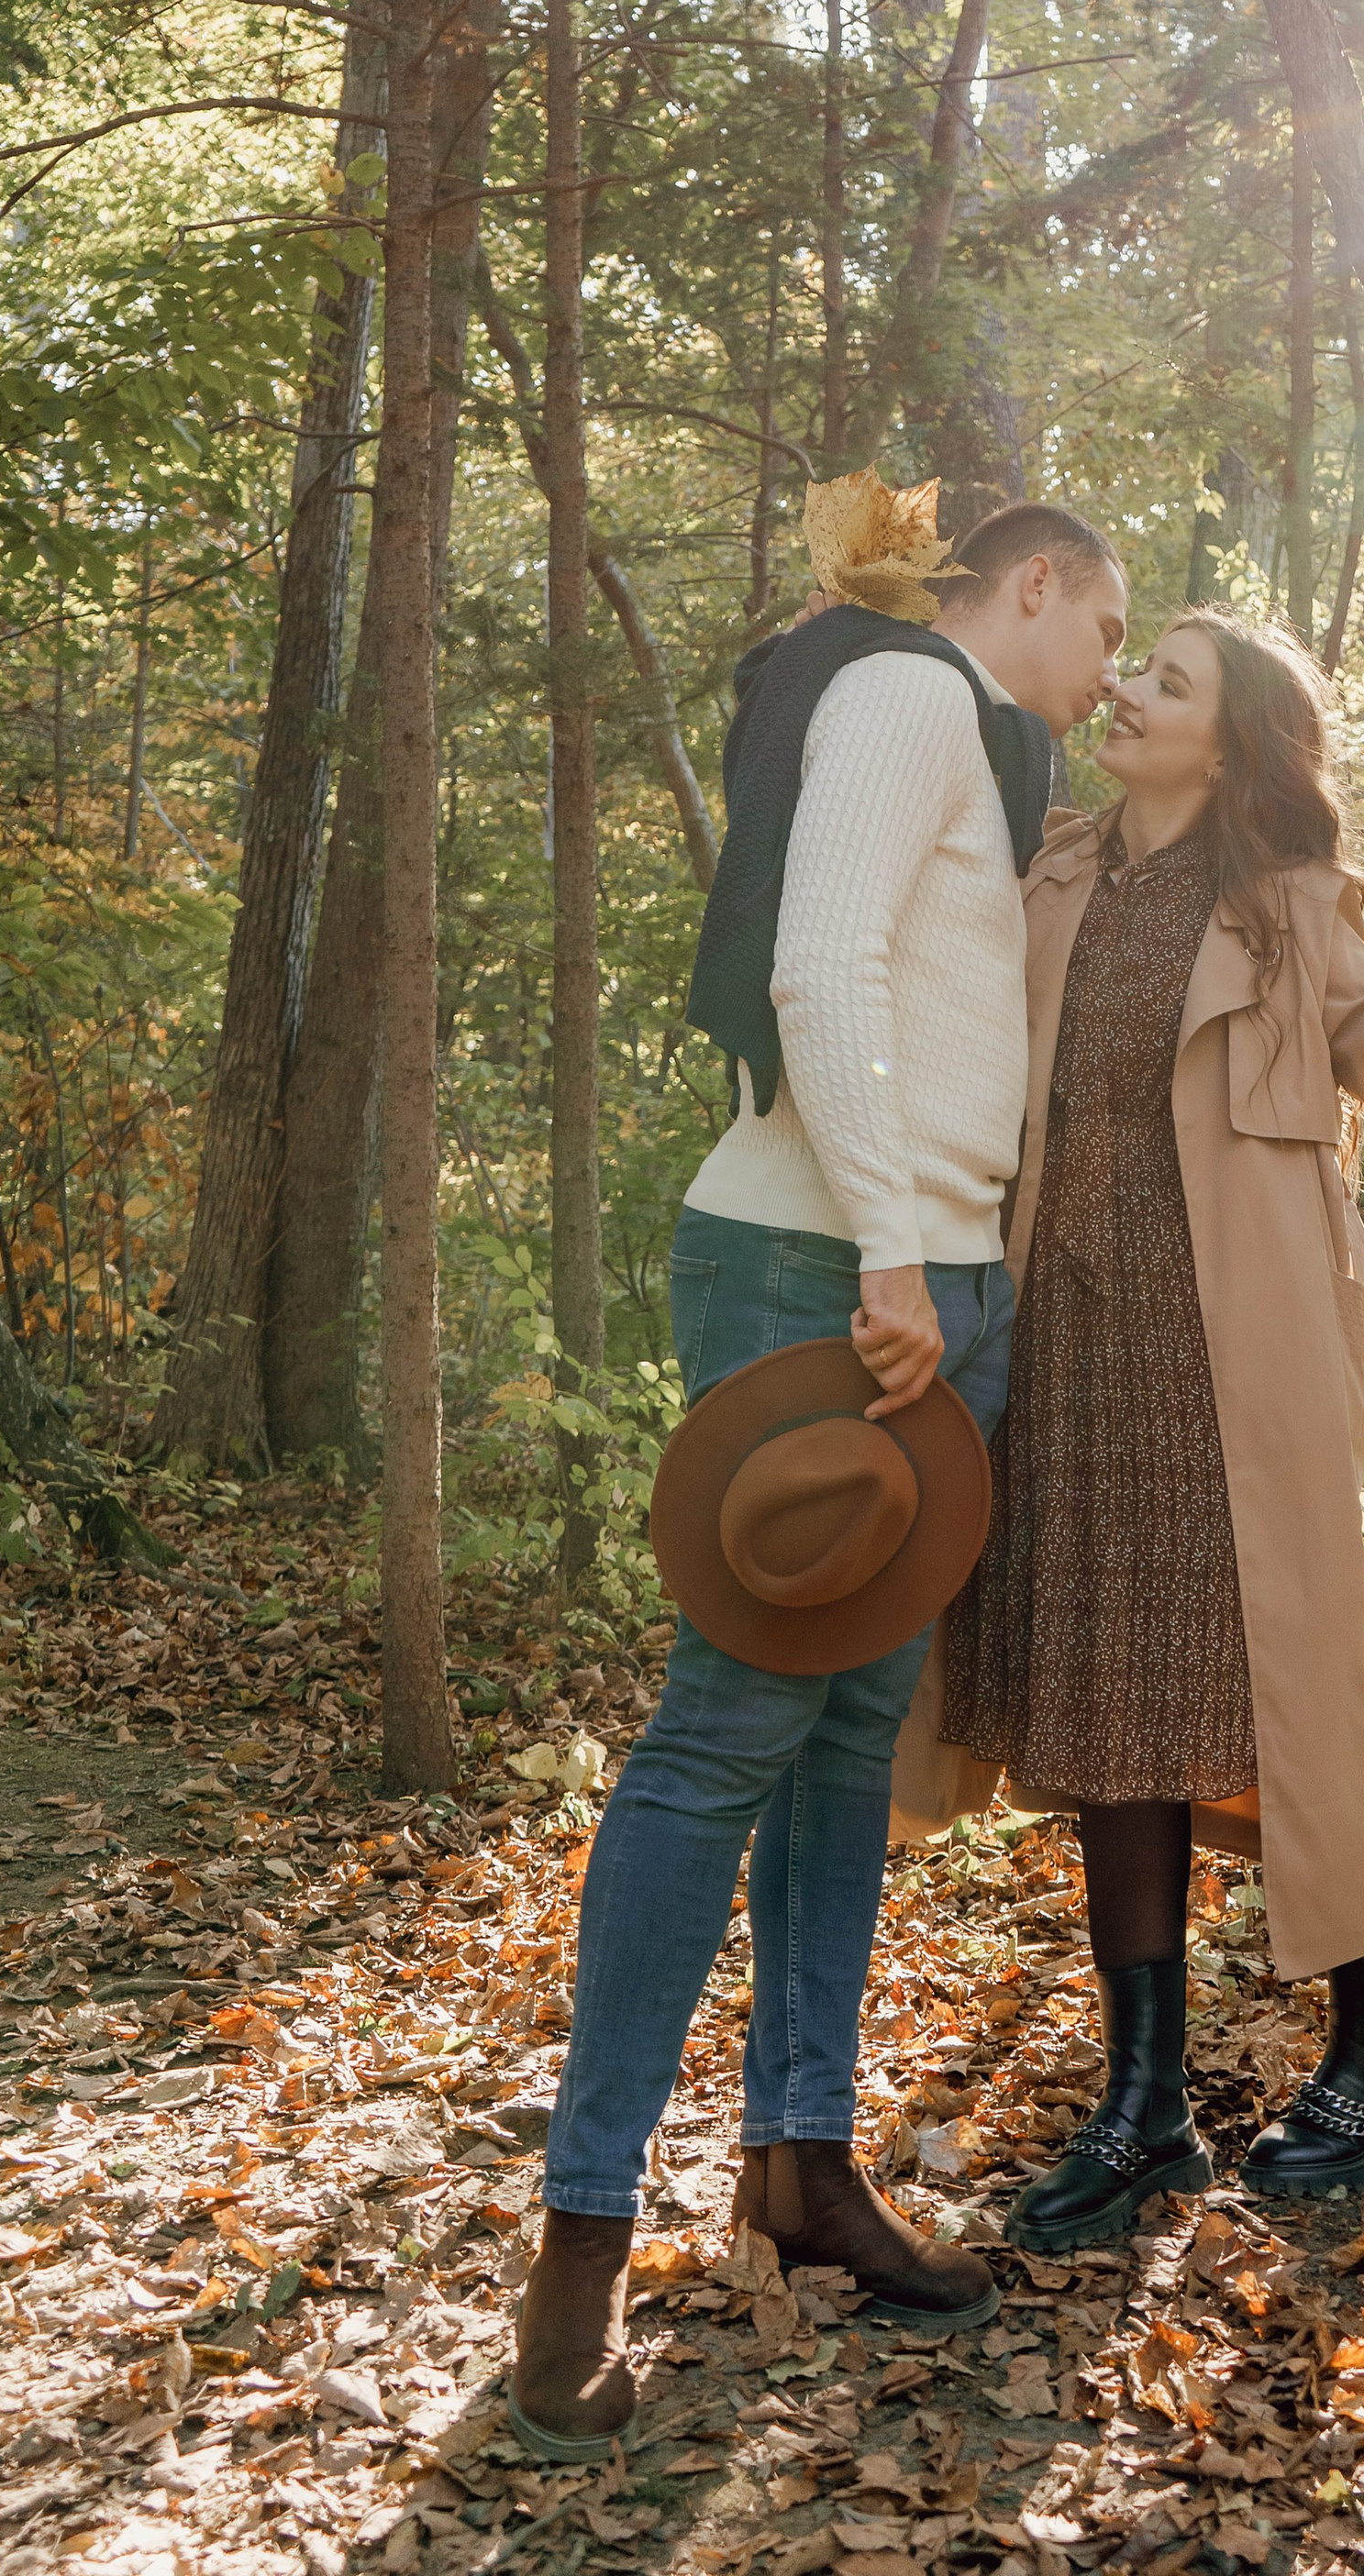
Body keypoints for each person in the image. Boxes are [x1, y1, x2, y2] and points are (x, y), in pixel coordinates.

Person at [509, 501, 1128, 2459]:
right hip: (823, 1263)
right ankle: (580, 2242)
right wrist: (882, 1251)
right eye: (1102, 625)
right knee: (724, 1733)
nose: (1106, 674)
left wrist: (947, 1263)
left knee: (853, 1734)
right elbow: (819, 967)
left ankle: (800, 2164)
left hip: (929, 1270)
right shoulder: (895, 683)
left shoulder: (969, 734)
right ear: (1027, 585)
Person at [933, 611, 1364, 2247]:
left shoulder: (1286, 905)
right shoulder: (1050, 871)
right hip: (1071, 1354)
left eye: (1163, 684)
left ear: (1232, 740)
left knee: (1296, 1693)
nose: (1120, 694)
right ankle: (1143, 2104)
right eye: (1128, 672)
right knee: (1112, 1705)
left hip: (1234, 1354)